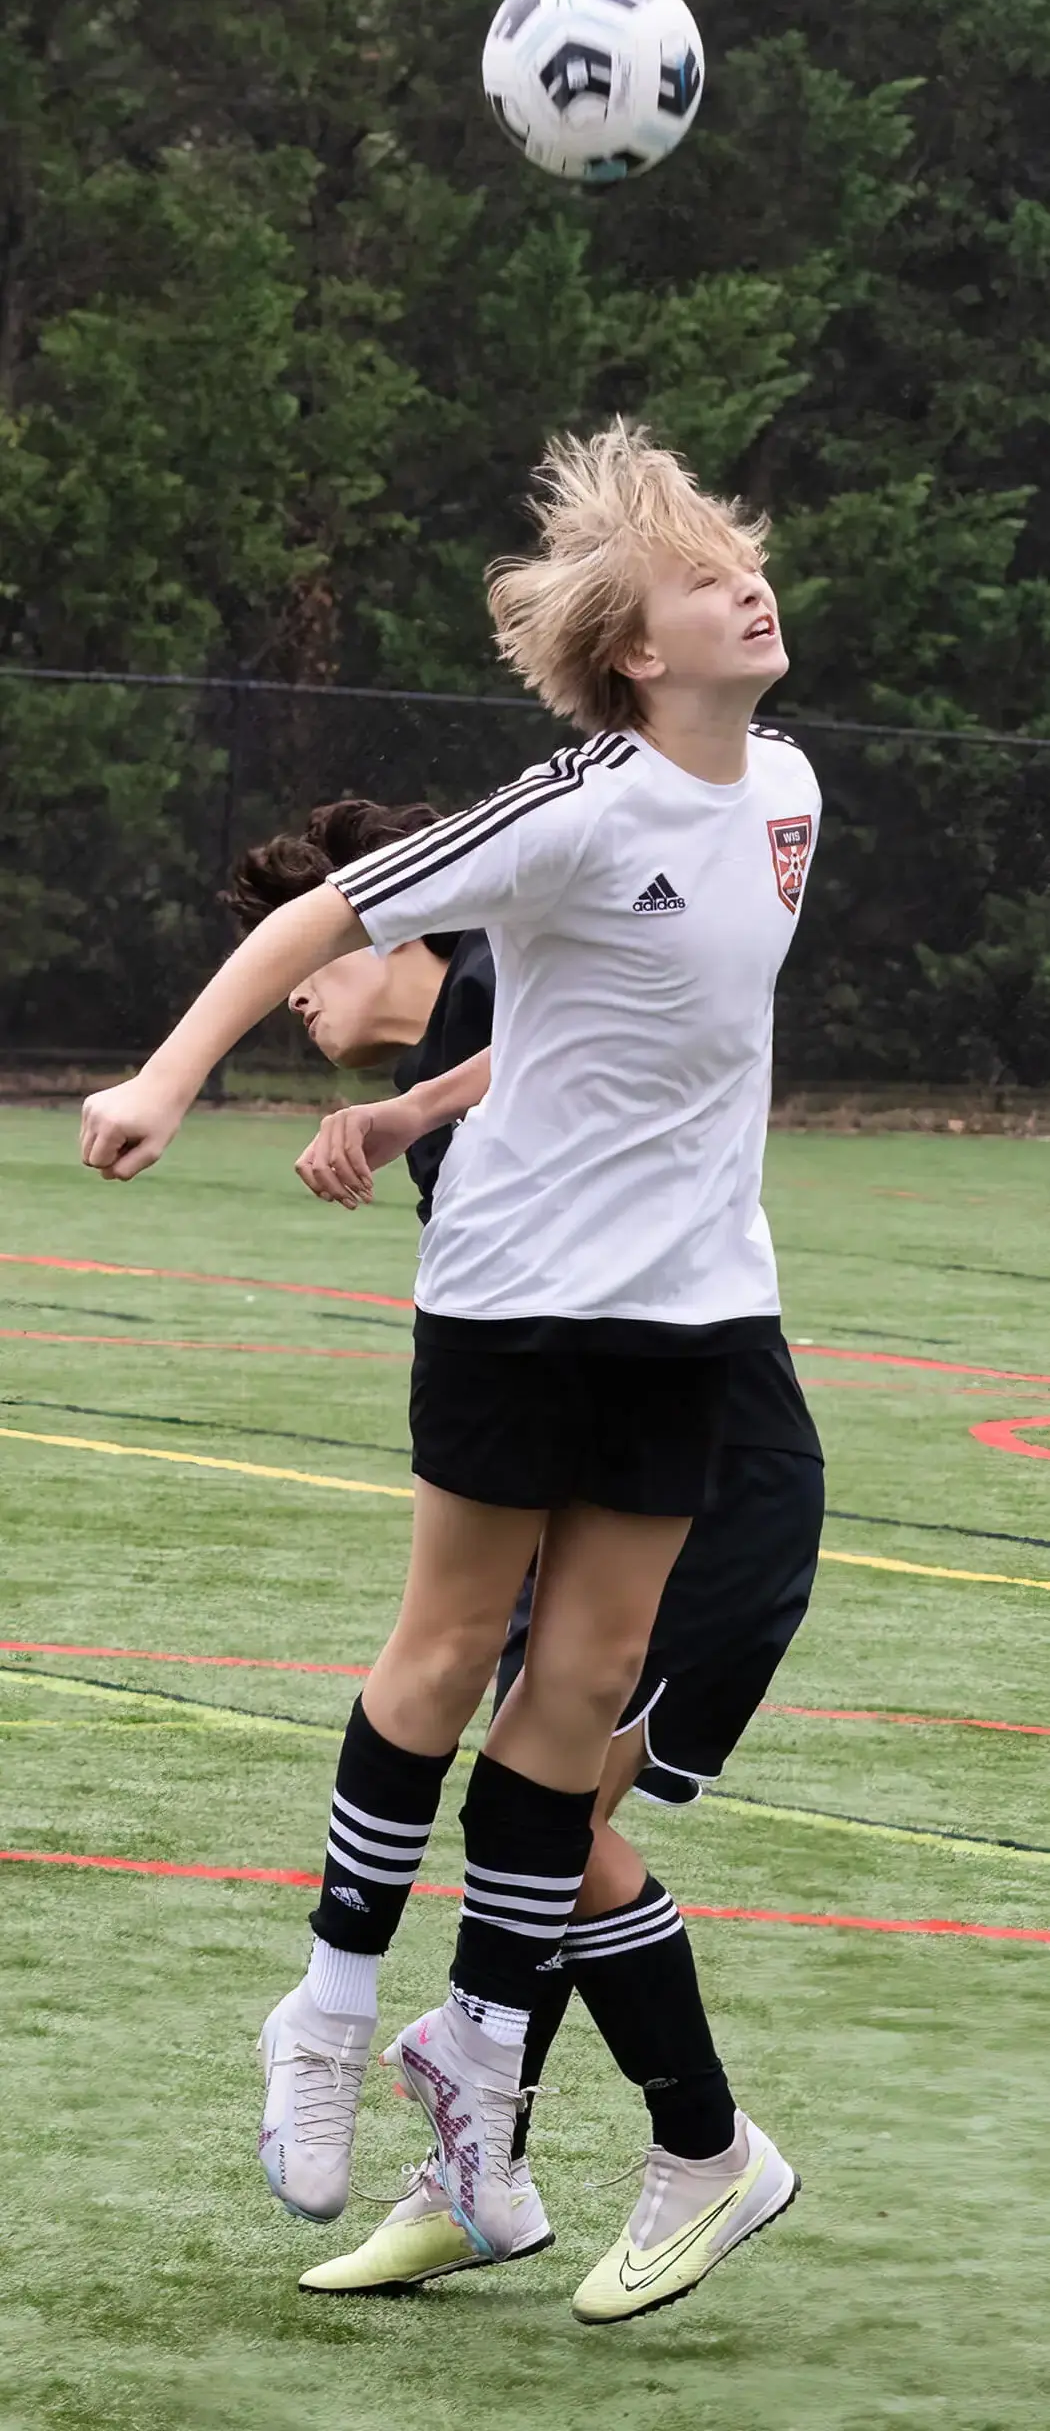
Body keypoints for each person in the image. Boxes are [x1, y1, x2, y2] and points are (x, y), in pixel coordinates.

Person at [80, 421, 821, 2324]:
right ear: (636, 654)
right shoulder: (571, 798)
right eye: (699, 578)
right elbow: (325, 914)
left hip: (690, 1320)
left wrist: (417, 1088)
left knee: (569, 1703)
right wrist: (170, 1080)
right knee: (441, 1663)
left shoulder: (792, 794)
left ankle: (479, 2101)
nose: (749, 583)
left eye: (743, 560)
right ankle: (329, 2018)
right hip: (512, 1301)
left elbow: (637, 1026)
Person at [220, 796, 823, 2311]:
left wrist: (411, 1113)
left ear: (399, 925)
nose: (295, 995)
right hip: (592, 1480)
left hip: (709, 1495)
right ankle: (479, 2167)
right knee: (527, 1832)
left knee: (550, 1834)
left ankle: (696, 2147)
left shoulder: (510, 967)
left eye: (309, 955)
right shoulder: (465, 1035)